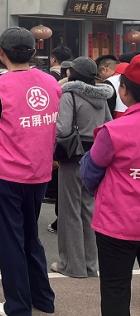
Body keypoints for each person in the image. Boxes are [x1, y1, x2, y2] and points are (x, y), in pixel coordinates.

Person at [0, 27, 61, 316]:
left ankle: (18, 306)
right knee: (30, 235)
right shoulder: (52, 83)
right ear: (34, 52)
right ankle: (43, 298)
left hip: (5, 172)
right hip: (39, 171)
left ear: (1, 53)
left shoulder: (0, 86)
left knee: (8, 239)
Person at [83, 56, 140, 316]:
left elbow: (90, 171)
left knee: (116, 294)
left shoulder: (114, 131)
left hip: (118, 223)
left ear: (125, 91)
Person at [52, 56, 111, 278]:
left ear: (72, 73)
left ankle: (72, 265)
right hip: (95, 157)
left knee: (69, 212)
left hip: (72, 156)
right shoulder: (102, 97)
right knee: (89, 210)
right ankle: (89, 264)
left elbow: (62, 128)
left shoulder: (69, 95)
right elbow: (108, 125)